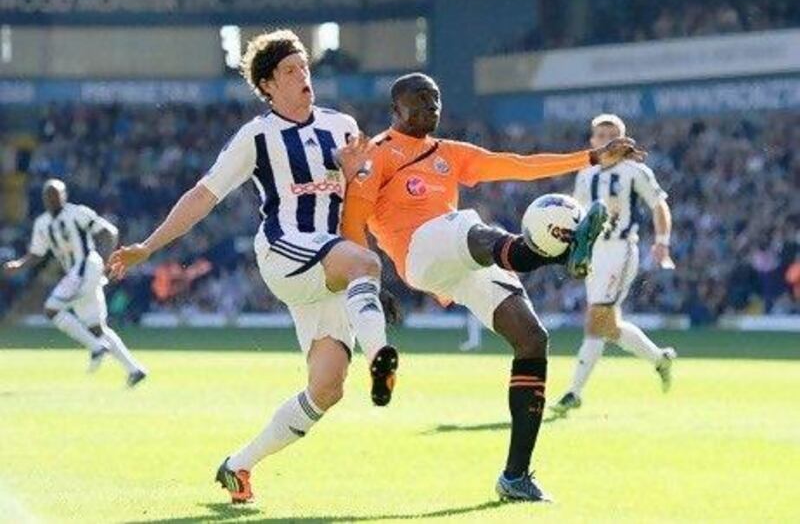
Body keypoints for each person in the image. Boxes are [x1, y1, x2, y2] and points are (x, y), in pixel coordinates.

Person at [107, 30, 398, 504]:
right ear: (267, 85)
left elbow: (358, 207)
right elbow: (203, 195)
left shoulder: (343, 126)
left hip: (329, 264)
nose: (303, 76)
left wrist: (353, 175)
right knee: (366, 262)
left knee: (326, 390)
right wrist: (149, 245)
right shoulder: (257, 136)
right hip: (285, 252)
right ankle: (381, 357)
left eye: (304, 66)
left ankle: (239, 465)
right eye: (290, 71)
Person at [340, 73, 645, 502]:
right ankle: (562, 253)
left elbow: (519, 165)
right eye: (421, 100)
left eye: (437, 98)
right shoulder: (377, 155)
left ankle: (516, 477)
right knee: (472, 226)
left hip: (461, 258)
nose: (432, 106)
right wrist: (368, 279)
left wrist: (592, 158)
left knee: (532, 338)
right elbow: (353, 221)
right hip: (420, 252)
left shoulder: (449, 153)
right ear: (397, 110)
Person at [550, 114, 677, 417]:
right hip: (595, 254)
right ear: (592, 140)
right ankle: (659, 359)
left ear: (623, 140)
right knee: (608, 325)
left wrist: (662, 241)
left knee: (595, 319)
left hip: (620, 250)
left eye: (612, 134)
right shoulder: (585, 175)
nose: (605, 139)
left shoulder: (635, 171)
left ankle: (572, 393)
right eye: (600, 134)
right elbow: (577, 213)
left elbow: (658, 204)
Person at [1, 179, 147, 386]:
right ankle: (134, 369)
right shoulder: (43, 223)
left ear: (64, 195)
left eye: (57, 194)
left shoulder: (77, 213)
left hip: (87, 266)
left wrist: (106, 262)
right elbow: (36, 254)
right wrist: (18, 264)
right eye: (49, 195)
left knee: (52, 309)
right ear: (44, 198)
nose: (53, 198)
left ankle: (96, 348)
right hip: (76, 272)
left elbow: (109, 232)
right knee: (97, 327)